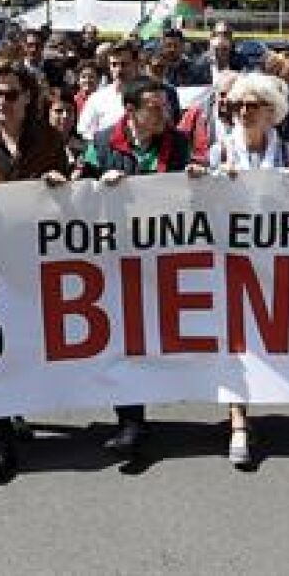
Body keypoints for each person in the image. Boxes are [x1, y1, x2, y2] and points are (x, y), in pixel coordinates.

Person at [74, 76, 203, 466]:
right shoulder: (102, 144)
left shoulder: (178, 144)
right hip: (113, 258)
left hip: (161, 258)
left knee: (151, 338)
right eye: (156, 107)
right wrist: (99, 186)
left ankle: (139, 412)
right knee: (121, 337)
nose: (165, 113)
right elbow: (79, 194)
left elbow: (194, 192)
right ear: (131, 111)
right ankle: (131, 418)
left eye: (166, 106)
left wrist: (198, 180)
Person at [0, 62, 70, 482]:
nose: (1, 102)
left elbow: (67, 196)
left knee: (28, 341)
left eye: (9, 95)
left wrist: (60, 184)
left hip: (35, 258)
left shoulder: (48, 138)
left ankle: (19, 407)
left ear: (27, 98)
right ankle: (0, 438)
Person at [209, 73, 289, 469]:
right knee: (235, 342)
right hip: (230, 262)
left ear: (272, 113)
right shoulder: (217, 153)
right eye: (237, 106)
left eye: (253, 106)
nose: (243, 112)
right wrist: (210, 182)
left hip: (277, 264)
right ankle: (238, 422)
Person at [76, 41, 142, 140]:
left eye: (124, 64)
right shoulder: (97, 98)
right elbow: (84, 130)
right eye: (114, 65)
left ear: (136, 64)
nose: (119, 70)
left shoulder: (148, 96)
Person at [46, 91, 88, 169]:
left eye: (69, 111)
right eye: (59, 111)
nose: (65, 116)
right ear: (48, 114)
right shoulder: (38, 145)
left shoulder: (84, 145)